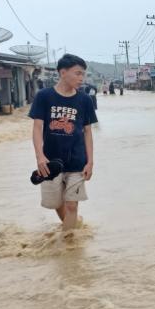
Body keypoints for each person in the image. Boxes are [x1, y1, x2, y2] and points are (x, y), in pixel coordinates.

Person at [29, 53, 97, 231]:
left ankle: (68, 244)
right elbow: (37, 128)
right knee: (55, 203)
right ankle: (72, 226)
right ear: (63, 72)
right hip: (51, 162)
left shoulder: (85, 100)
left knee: (72, 205)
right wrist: (40, 157)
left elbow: (88, 132)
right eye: (78, 73)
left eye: (83, 74)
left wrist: (90, 161)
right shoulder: (44, 97)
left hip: (77, 161)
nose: (82, 78)